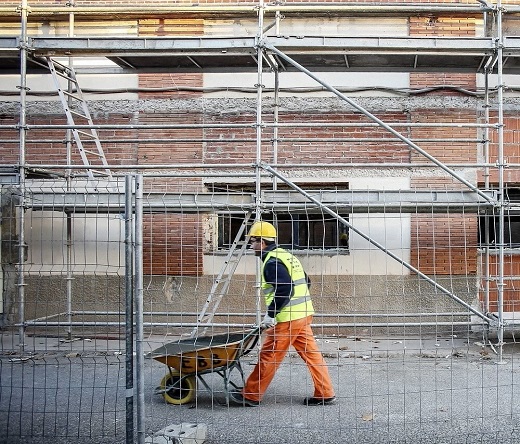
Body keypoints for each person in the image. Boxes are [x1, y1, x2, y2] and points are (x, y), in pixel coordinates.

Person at [229, 221, 336, 407]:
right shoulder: (286, 255)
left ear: (261, 242)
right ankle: (325, 393)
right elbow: (306, 281)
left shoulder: (271, 261)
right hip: (303, 314)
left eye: (253, 241)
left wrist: (271, 314)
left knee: (269, 355)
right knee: (312, 355)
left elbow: (285, 288)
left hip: (287, 319)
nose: (251, 245)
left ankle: (251, 395)